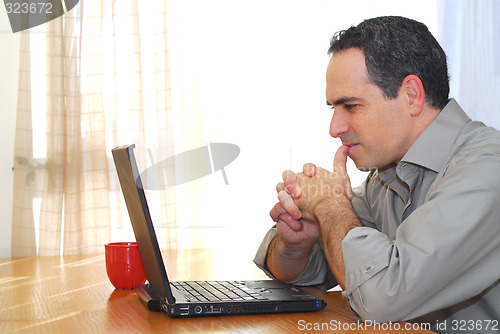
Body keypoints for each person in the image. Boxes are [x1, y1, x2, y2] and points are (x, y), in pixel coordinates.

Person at [254, 16, 500, 333]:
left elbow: (381, 298)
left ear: (411, 95)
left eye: (351, 106)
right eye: (333, 108)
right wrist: (299, 242)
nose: (334, 129)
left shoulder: (487, 169)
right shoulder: (386, 175)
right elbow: (319, 269)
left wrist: (329, 204)